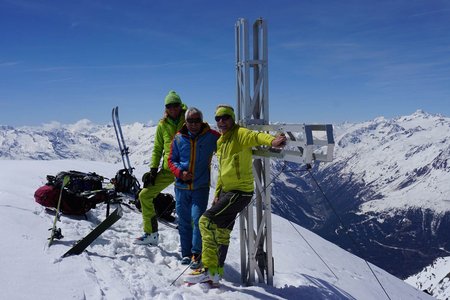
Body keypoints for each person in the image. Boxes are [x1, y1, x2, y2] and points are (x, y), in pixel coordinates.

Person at [184, 104, 287, 285]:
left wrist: (271, 141)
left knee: (205, 221)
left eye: (225, 118)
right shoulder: (221, 142)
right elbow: (223, 170)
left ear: (232, 119)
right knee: (222, 231)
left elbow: (255, 136)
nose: (221, 122)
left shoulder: (240, 134)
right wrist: (218, 192)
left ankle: (208, 268)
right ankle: (216, 272)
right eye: (218, 119)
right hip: (227, 192)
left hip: (240, 192)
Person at [168, 107, 220, 268]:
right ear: (186, 121)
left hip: (201, 187)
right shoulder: (178, 138)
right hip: (181, 187)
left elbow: (228, 141)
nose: (194, 124)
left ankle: (196, 254)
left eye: (197, 121)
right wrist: (180, 173)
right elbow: (171, 160)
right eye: (190, 121)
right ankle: (186, 254)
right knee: (184, 222)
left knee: (198, 220)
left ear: (202, 121)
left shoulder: (211, 136)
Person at [134, 90, 187, 245]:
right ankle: (151, 234)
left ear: (180, 105)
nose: (173, 109)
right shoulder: (162, 125)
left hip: (186, 170)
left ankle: (194, 244)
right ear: (166, 108)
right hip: (168, 169)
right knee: (145, 195)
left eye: (175, 105)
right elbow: (158, 148)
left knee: (187, 206)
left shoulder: (188, 120)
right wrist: (153, 169)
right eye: (169, 106)